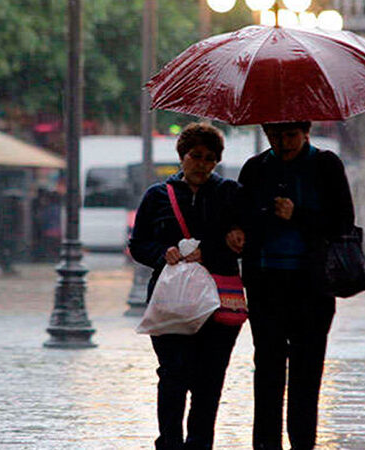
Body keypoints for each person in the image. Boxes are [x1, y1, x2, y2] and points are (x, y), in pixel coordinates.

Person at [237, 121, 355, 450]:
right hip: (266, 285)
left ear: (305, 131)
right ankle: (265, 444)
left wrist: (298, 214)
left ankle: (303, 443)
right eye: (274, 135)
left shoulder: (326, 165)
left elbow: (343, 221)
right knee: (268, 371)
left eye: (289, 135)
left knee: (307, 372)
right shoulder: (255, 168)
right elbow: (240, 216)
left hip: (312, 287)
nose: (282, 142)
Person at [129, 122, 245, 450]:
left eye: (210, 159)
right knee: (173, 375)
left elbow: (242, 240)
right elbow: (138, 243)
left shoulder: (229, 194)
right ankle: (169, 442)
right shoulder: (157, 196)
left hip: (217, 302)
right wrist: (160, 253)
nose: (202, 164)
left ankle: (199, 444)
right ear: (182, 156)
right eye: (196, 156)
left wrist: (209, 249)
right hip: (169, 302)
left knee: (209, 380)